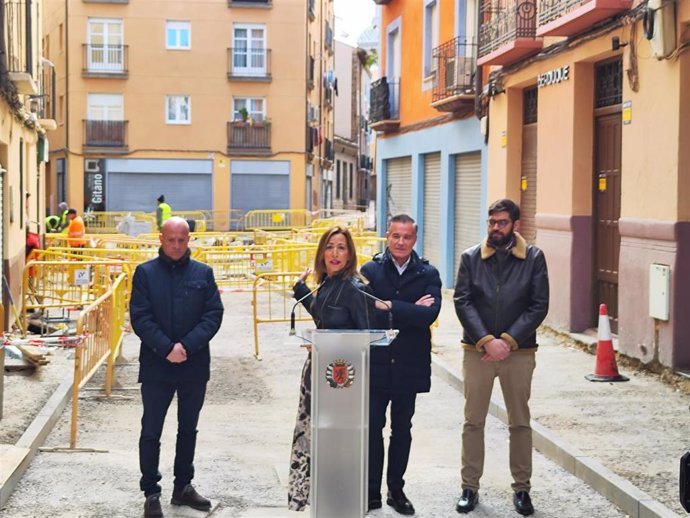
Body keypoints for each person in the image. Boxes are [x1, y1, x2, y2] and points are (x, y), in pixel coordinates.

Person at [453, 199, 549, 516]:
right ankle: (469, 488)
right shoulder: (470, 257)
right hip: (476, 351)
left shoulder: (534, 258)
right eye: (492, 222)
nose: (496, 228)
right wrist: (485, 341)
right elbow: (463, 301)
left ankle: (522, 490)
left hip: (519, 352)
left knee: (519, 422)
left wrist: (506, 341)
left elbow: (538, 304)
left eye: (502, 222)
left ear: (516, 225)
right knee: (473, 422)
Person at [130, 217, 224, 518]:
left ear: (189, 240)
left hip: (193, 365)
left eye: (182, 240)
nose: (176, 245)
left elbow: (213, 315)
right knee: (151, 430)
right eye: (171, 240)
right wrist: (167, 348)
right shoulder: (145, 274)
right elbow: (140, 316)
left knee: (188, 429)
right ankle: (151, 492)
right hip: (157, 366)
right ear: (161, 238)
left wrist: (186, 347)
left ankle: (183, 486)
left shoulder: (203, 273)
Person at [360, 214, 442, 516]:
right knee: (372, 428)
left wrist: (390, 306)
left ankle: (396, 489)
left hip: (409, 362)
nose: (400, 242)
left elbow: (428, 316)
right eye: (395, 236)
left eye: (407, 237)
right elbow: (367, 314)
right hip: (376, 363)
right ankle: (371, 492)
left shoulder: (427, 273)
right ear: (387, 236)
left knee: (402, 429)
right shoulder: (369, 270)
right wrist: (408, 310)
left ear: (415, 239)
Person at [288, 225, 373, 511]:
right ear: (321, 252)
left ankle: (341, 503)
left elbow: (362, 339)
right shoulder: (327, 283)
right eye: (329, 246)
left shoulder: (355, 288)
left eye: (341, 247)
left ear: (350, 255)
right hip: (317, 376)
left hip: (341, 383)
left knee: (338, 445)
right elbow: (324, 318)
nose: (334, 253)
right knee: (319, 440)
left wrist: (328, 346)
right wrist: (302, 291)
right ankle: (323, 502)